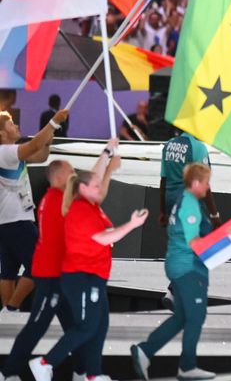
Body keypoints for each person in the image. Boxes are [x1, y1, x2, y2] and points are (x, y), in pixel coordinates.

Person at [3, 142, 117, 380]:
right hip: (52, 275)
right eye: (71, 172)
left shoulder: (57, 198)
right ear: (59, 177)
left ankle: (85, 372)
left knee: (80, 325)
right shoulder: (60, 200)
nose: (75, 175)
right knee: (40, 326)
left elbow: (92, 186)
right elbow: (94, 186)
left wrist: (107, 160)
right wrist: (106, 160)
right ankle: (11, 371)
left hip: (64, 274)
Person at [28, 167, 149, 381]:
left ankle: (92, 375)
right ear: (82, 188)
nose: (100, 188)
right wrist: (132, 224)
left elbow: (108, 234)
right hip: (81, 277)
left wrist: (109, 165)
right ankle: (45, 363)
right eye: (95, 185)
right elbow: (101, 238)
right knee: (87, 326)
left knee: (99, 326)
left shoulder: (92, 208)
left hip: (95, 276)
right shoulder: (80, 210)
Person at [131, 163, 217, 380]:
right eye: (206, 182)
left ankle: (145, 351)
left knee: (182, 316)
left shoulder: (182, 200)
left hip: (180, 264)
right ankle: (187, 366)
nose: (208, 187)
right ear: (196, 183)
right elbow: (193, 241)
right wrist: (223, 242)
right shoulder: (190, 205)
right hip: (187, 267)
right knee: (196, 315)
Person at [1, 107, 68, 314]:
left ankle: (7, 312)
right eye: (11, 124)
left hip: (8, 220)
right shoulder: (6, 152)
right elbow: (34, 145)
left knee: (9, 270)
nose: (17, 126)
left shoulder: (11, 154)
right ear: (1, 134)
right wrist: (54, 123)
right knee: (42, 261)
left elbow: (39, 156)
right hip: (16, 219)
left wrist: (48, 139)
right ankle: (12, 307)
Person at [160, 128, 219, 227]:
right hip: (189, 204)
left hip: (170, 203)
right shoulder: (199, 147)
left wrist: (163, 211)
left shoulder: (169, 145)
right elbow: (204, 183)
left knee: (177, 237)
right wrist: (214, 215)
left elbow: (163, 180)